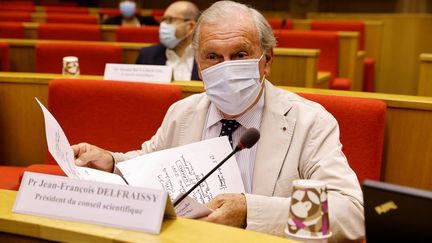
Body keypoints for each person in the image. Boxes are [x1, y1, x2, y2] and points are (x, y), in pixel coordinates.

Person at [72, 1, 364, 241]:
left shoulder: (310, 122)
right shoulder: (182, 113)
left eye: (239, 54)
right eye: (212, 56)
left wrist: (252, 212)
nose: (226, 67)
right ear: (198, 66)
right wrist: (111, 161)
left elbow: (350, 215)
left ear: (267, 60)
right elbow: (150, 162)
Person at [135, 1, 200, 81]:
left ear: (190, 27)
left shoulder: (208, 58)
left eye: (169, 20)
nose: (163, 25)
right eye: (163, 20)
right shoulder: (146, 55)